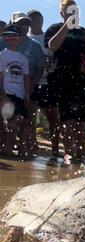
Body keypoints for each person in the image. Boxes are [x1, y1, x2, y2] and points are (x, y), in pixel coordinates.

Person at [45, 0, 85, 165]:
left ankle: (81, 155)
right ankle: (69, 154)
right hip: (64, 81)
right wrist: (67, 26)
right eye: (68, 11)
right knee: (68, 120)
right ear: (62, 13)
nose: (72, 13)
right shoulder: (54, 29)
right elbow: (52, 46)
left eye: (74, 10)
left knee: (81, 122)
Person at [0, 12, 45, 157]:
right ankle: (6, 148)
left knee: (25, 121)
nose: (24, 26)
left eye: (26, 23)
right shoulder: (2, 45)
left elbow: (37, 70)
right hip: (5, 90)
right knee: (6, 121)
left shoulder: (34, 47)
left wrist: (28, 90)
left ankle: (23, 148)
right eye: (20, 23)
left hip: (24, 90)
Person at [27, 10, 60, 159]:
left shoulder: (48, 37)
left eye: (36, 19)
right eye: (31, 20)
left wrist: (51, 62)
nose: (34, 22)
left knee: (53, 116)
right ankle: (32, 144)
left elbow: (56, 57)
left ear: (41, 20)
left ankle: (55, 148)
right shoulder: (25, 39)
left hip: (48, 82)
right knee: (30, 115)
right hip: (31, 82)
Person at [0, 24, 32, 159]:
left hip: (19, 95)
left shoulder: (23, 59)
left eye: (15, 36)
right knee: (6, 123)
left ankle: (15, 149)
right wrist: (2, 95)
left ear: (20, 38)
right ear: (5, 38)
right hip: (6, 93)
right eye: (9, 36)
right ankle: (6, 148)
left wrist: (27, 94)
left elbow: (26, 78)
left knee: (19, 122)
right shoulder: (2, 56)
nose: (12, 39)